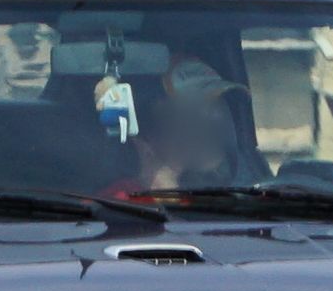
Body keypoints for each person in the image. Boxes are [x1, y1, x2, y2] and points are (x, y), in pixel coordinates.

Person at [103, 56, 262, 197]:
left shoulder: (246, 193)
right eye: (193, 114)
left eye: (217, 108)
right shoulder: (122, 204)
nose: (211, 125)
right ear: (146, 140)